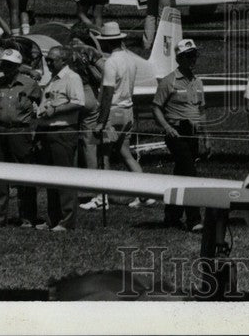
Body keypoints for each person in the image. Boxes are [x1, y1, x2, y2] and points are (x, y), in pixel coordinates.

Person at [151, 39, 209, 230]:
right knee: (190, 173)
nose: (193, 59)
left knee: (181, 173)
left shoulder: (197, 81)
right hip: (176, 132)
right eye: (188, 56)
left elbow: (201, 111)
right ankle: (194, 219)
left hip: (193, 133)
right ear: (180, 58)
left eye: (194, 55)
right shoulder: (169, 81)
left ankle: (172, 216)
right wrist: (167, 128)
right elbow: (156, 107)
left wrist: (206, 137)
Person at [94, 22, 149, 207]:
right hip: (128, 111)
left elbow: (108, 93)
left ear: (108, 43)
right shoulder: (130, 59)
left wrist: (101, 121)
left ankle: (102, 198)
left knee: (104, 155)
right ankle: (145, 193)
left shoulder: (111, 62)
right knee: (126, 153)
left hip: (114, 111)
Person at [0, 49, 41, 228]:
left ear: (17, 66)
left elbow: (41, 106)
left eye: (10, 65)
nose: (6, 67)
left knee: (24, 175)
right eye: (4, 64)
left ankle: (27, 217)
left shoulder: (30, 84)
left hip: (20, 132)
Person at [35, 47, 85, 231]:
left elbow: (78, 102)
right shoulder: (52, 80)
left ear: (63, 60)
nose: (48, 63)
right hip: (48, 130)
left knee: (64, 176)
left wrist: (55, 110)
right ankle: (53, 219)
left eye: (51, 60)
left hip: (63, 131)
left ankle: (67, 220)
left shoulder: (72, 78)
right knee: (51, 178)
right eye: (47, 60)